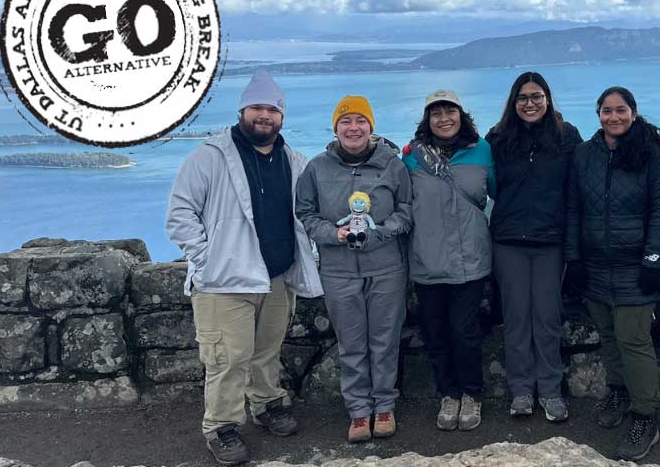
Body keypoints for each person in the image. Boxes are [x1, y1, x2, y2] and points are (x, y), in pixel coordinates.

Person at [165, 72, 323, 466]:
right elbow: (180, 212)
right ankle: (220, 427)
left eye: (272, 109)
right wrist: (207, 259)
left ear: (281, 116)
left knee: (267, 351)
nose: (264, 116)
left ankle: (267, 404)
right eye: (257, 108)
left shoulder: (294, 161)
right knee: (227, 358)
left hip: (275, 276)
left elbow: (305, 215)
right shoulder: (211, 155)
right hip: (223, 283)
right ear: (242, 111)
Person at [564, 86, 660, 462]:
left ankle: (646, 416)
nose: (614, 117)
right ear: (598, 114)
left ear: (633, 111)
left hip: (635, 265)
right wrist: (574, 258)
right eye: (607, 111)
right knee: (608, 334)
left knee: (634, 339)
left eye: (621, 110)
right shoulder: (585, 155)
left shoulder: (651, 152)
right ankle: (618, 390)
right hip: (595, 266)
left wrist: (654, 258)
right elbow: (574, 208)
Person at [294, 95, 412, 444]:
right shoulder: (316, 168)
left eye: (361, 121)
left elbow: (406, 210)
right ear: (336, 127)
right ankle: (359, 411)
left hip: (387, 266)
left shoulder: (392, 164)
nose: (353, 127)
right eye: (346, 121)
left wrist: (381, 232)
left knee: (385, 340)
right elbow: (306, 214)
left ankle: (385, 407)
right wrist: (334, 234)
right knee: (351, 343)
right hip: (338, 269)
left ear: (371, 127)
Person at [486, 72, 583, 422]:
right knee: (515, 318)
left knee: (547, 317)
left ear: (548, 99)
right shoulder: (497, 139)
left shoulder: (567, 136)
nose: (530, 103)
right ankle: (522, 391)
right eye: (523, 97)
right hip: (508, 240)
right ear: (514, 102)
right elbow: (477, 173)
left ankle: (551, 390)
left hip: (550, 240)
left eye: (537, 96)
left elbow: (579, 184)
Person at [402, 89, 496, 432]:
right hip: (427, 258)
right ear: (428, 119)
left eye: (450, 111)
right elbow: (397, 198)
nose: (444, 118)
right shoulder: (411, 156)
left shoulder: (483, 149)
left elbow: (501, 190)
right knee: (436, 332)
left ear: (461, 114)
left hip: (470, 258)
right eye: (436, 113)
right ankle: (448, 393)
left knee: (465, 331)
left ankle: (472, 394)